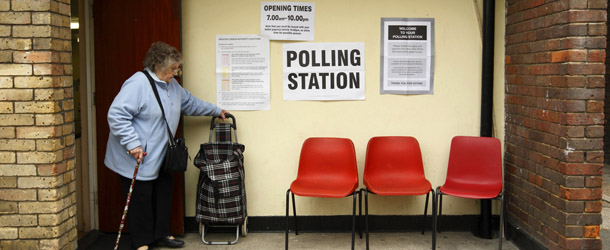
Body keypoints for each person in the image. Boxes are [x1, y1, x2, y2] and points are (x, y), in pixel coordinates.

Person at [105, 41, 228, 250]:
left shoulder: (172, 85)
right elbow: (116, 115)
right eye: (172, 69)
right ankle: (142, 241)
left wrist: (215, 110)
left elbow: (190, 103)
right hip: (138, 155)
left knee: (163, 191)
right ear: (157, 66)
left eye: (176, 68)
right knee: (140, 198)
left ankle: (161, 234)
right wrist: (133, 143)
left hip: (161, 154)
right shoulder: (138, 84)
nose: (175, 72)